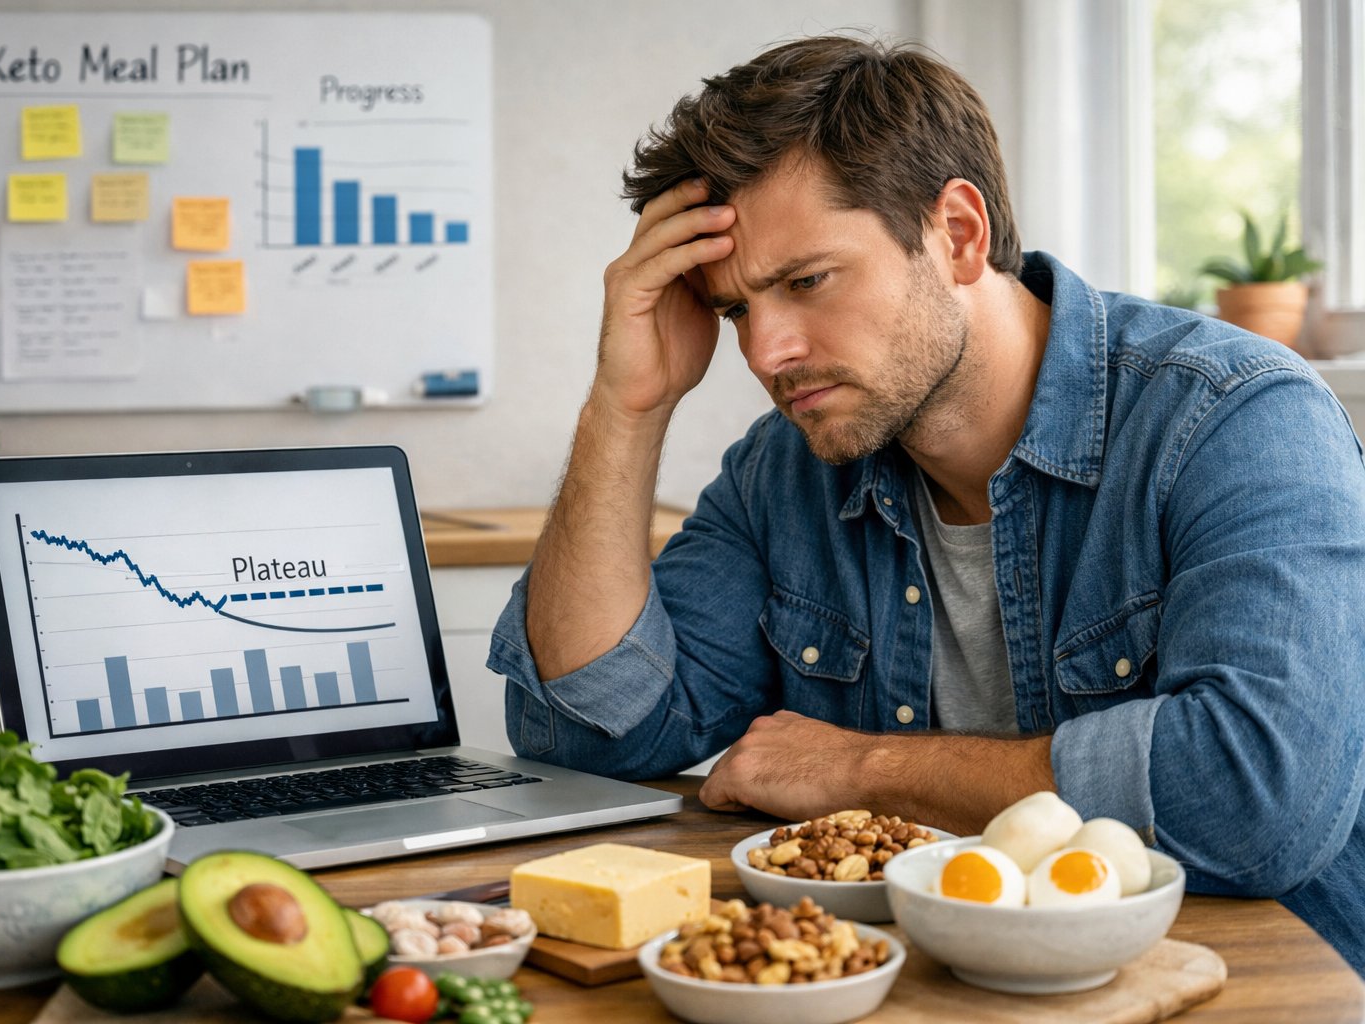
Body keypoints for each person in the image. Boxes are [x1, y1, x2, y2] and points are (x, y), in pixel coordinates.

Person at [486, 35, 1365, 973]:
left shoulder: (1234, 417)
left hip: (1247, 985)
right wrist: (630, 407)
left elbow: (1256, 799)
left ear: (956, 233)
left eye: (805, 281)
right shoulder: (782, 473)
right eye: (738, 308)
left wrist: (861, 771)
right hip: (924, 987)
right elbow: (586, 733)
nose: (765, 353)